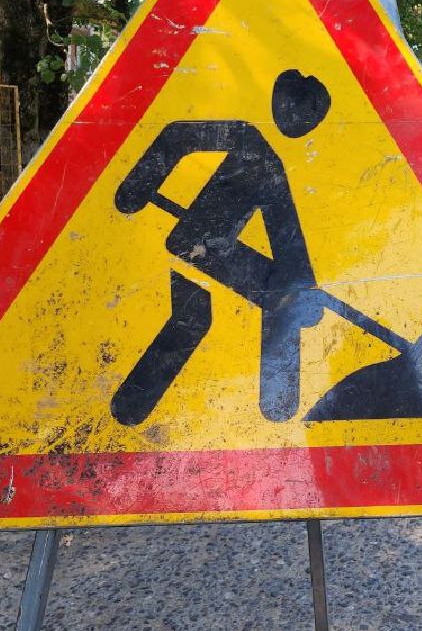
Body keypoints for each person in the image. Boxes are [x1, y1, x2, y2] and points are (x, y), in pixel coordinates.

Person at [109, 69, 332, 426]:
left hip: (215, 252)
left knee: (275, 297)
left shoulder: (270, 162)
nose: (296, 123)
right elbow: (177, 137)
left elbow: (285, 232)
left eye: (306, 118)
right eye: (297, 113)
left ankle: (278, 402)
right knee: (200, 317)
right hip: (195, 242)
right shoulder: (249, 139)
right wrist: (136, 186)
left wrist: (301, 284)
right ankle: (276, 402)